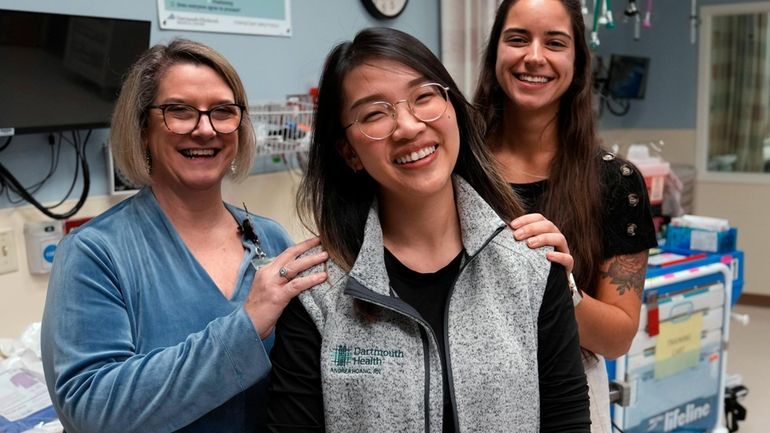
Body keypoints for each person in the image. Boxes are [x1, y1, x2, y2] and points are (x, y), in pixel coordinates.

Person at [266, 27, 590, 433]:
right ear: (350, 153)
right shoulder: (317, 292)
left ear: (452, 107)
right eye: (374, 114)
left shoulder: (531, 266)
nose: (408, 126)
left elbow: (568, 421)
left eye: (424, 97)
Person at [40, 39, 328, 433]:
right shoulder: (96, 253)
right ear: (142, 128)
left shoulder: (270, 239)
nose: (205, 129)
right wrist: (245, 326)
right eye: (179, 111)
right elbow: (92, 411)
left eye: (223, 112)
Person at [474, 1, 658, 431]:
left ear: (577, 61)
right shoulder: (456, 168)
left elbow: (617, 337)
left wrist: (562, 289)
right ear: (494, 52)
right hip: (467, 394)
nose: (534, 56)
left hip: (568, 403)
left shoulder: (615, 182)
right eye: (517, 38)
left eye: (554, 42)